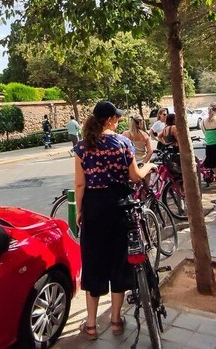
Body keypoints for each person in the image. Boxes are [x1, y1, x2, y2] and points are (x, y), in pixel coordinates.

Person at [74, 101, 157, 339]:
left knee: (94, 261)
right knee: (120, 261)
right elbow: (134, 175)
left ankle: (91, 324)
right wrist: (148, 166)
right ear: (109, 119)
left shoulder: (82, 147)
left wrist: (80, 211)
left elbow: (80, 184)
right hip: (120, 207)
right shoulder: (123, 143)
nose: (118, 120)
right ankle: (116, 319)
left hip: (94, 207)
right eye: (116, 117)